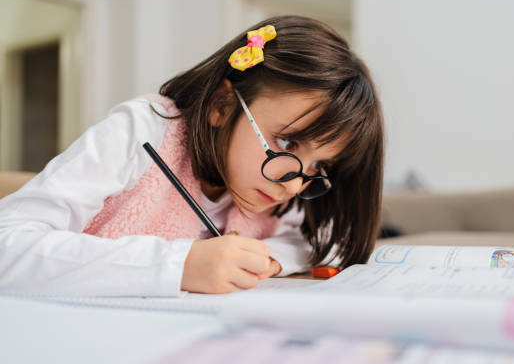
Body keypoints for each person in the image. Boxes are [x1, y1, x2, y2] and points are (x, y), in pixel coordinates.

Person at [0, 15, 384, 297]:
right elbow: (8, 245)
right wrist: (178, 266)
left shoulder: (273, 185)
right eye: (286, 143)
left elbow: (323, 238)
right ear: (221, 104)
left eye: (320, 166)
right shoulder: (143, 129)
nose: (296, 183)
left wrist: (267, 256)